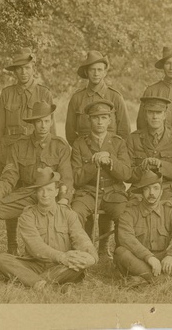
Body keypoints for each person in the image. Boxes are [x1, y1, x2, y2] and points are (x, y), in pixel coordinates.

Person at [0, 101, 73, 267]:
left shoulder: (60, 146)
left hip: (51, 198)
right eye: (39, 122)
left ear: (51, 121)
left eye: (46, 121)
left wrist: (64, 200)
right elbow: (9, 176)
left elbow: (67, 178)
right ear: (33, 123)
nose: (43, 126)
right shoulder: (19, 146)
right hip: (28, 194)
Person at [0, 47, 57, 255]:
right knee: (9, 198)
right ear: (14, 72)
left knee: (35, 198)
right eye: (18, 69)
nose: (23, 73)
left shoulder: (44, 92)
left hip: (36, 152)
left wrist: (49, 156)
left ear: (33, 68)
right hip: (10, 152)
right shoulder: (7, 93)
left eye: (27, 68)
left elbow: (50, 128)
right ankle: (11, 246)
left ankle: (35, 246)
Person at [0, 167, 98, 290]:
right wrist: (62, 257)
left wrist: (91, 257)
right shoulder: (27, 215)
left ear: (56, 192)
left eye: (49, 190)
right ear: (35, 193)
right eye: (41, 190)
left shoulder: (68, 214)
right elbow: (35, 246)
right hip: (35, 264)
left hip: (62, 266)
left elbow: (80, 238)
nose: (45, 194)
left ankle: (33, 281)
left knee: (78, 265)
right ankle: (47, 284)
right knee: (1, 260)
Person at [114, 171, 172, 286]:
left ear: (161, 191)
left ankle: (143, 280)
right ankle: (167, 279)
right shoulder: (130, 212)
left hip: (163, 260)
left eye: (156, 188)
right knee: (120, 252)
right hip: (139, 259)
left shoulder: (169, 211)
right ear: (142, 192)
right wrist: (148, 257)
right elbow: (126, 238)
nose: (151, 193)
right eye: (147, 189)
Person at [70, 100, 131, 257]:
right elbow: (76, 178)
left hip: (113, 191)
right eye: (96, 117)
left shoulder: (118, 143)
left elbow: (126, 173)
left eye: (104, 117)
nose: (100, 122)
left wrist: (111, 161)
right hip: (88, 192)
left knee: (124, 215)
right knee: (75, 213)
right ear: (89, 120)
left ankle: (120, 255)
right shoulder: (79, 144)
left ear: (110, 120)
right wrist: (93, 163)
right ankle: (82, 252)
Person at [66, 50, 131, 146]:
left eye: (99, 70)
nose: (96, 73)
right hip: (84, 156)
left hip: (110, 154)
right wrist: (82, 151)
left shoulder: (115, 97)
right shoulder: (77, 98)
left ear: (105, 72)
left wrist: (112, 152)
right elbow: (70, 133)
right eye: (92, 69)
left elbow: (124, 132)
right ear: (86, 72)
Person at [127, 96, 172, 209]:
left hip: (167, 189)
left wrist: (161, 165)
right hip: (140, 189)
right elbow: (127, 174)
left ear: (165, 115)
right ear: (145, 115)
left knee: (168, 210)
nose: (155, 116)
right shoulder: (134, 138)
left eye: (159, 112)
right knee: (131, 210)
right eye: (151, 112)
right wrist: (141, 167)